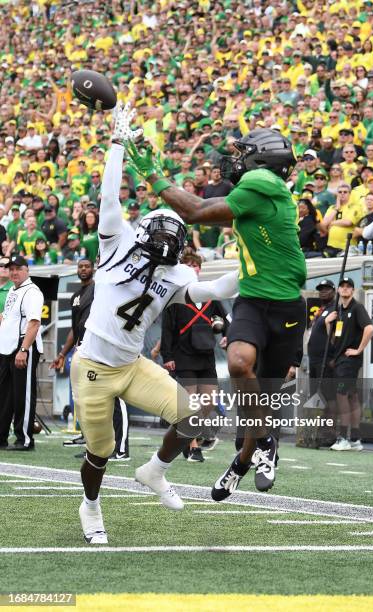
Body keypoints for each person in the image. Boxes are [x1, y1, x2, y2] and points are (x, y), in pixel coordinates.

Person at [72, 104, 238, 544]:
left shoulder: (177, 273)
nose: (163, 250)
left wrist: (261, 268)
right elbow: (109, 196)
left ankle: (155, 470)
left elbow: (215, 292)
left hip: (131, 364)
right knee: (101, 451)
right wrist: (115, 145)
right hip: (93, 365)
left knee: (193, 418)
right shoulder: (115, 244)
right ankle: (90, 506)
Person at [125, 126, 306, 501]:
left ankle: (242, 462)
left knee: (260, 405)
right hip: (254, 298)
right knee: (240, 364)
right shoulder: (260, 188)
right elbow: (203, 209)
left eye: (243, 153)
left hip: (286, 303)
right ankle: (264, 444)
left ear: (260, 158)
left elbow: (195, 211)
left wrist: (153, 174)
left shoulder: (262, 181)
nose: (235, 160)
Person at [51, 258, 131, 460]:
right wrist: (62, 354)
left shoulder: (101, 289)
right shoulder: (76, 296)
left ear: (94, 269)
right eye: (80, 266)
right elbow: (74, 328)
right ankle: (97, 446)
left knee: (116, 397)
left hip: (106, 348)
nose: (83, 269)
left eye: (87, 266)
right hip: (85, 351)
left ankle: (121, 449)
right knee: (93, 400)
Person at [160, 251, 229, 462]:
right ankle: (193, 446)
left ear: (199, 269)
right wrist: (167, 355)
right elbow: (167, 329)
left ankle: (183, 435)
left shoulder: (210, 294)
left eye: (195, 266)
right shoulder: (175, 297)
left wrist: (227, 335)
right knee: (190, 403)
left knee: (207, 402)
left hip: (206, 354)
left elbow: (225, 318)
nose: (193, 269)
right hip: (183, 356)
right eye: (188, 266)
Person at [325, 277, 373, 451]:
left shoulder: (357, 308)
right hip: (340, 360)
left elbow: (370, 328)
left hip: (349, 361)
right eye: (342, 286)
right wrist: (326, 323)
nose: (345, 289)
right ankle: (354, 438)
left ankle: (343, 438)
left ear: (353, 290)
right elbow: (333, 340)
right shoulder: (339, 310)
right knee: (352, 396)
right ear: (338, 290)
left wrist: (358, 350)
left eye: (349, 287)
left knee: (341, 395)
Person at [0, 255, 44, 450]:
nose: (14, 272)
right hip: (7, 346)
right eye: (11, 269)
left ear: (27, 270)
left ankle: (24, 439)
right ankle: (1, 436)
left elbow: (34, 323)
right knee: (5, 396)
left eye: (18, 268)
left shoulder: (32, 292)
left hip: (23, 344)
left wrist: (24, 349)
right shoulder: (12, 289)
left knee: (22, 395)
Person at [307, 279, 337, 442]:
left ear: (334, 291)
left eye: (327, 289)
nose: (323, 291)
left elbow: (337, 335)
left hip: (326, 359)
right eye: (321, 289)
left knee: (328, 396)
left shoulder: (335, 309)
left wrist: (334, 356)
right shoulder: (321, 310)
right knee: (316, 395)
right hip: (314, 360)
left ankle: (329, 431)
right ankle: (316, 431)